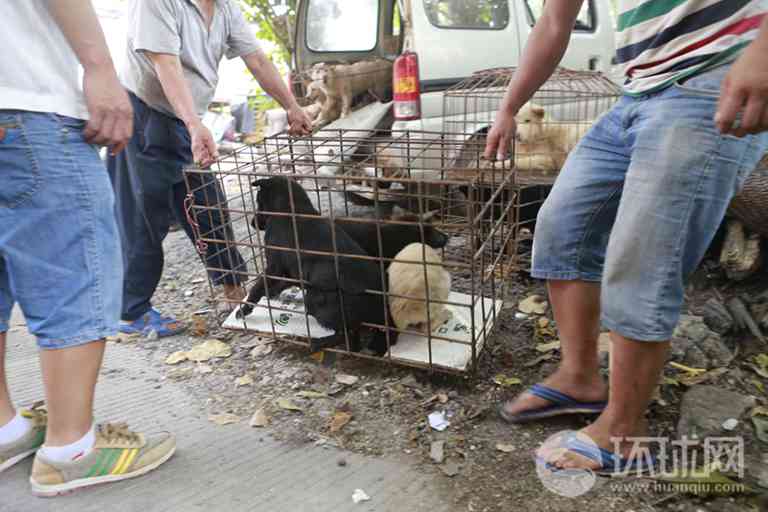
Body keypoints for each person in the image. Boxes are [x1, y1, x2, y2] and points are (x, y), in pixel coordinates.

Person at [485, 0, 768, 472]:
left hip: (712, 81)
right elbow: (555, 21)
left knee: (642, 260)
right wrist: (508, 107)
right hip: (637, 91)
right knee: (563, 227)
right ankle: (580, 379)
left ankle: (622, 433)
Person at [0, 1, 175, 496]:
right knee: (75, 274)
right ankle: (71, 451)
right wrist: (99, 67)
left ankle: (6, 431)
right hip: (26, 102)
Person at [109, 0, 312, 337]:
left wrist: (291, 106)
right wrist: (193, 125)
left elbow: (257, 59)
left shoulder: (225, 8)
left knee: (208, 206)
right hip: (142, 114)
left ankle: (235, 294)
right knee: (144, 216)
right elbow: (165, 64)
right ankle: (131, 311)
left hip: (182, 119)